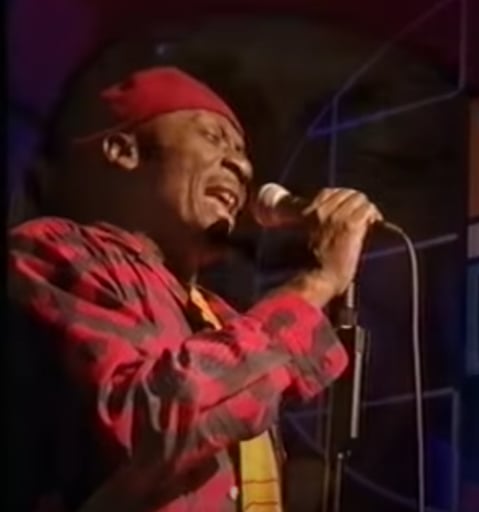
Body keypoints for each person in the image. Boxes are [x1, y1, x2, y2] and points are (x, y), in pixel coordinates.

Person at [6, 66, 381, 512]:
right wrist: (315, 284)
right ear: (124, 150)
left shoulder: (219, 317)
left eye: (241, 152)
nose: (242, 166)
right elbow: (144, 429)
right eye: (213, 137)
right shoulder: (52, 251)